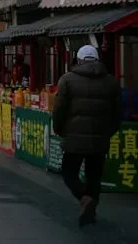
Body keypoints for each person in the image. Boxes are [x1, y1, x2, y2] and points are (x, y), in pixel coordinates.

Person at [52, 45, 122, 227]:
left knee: (69, 173)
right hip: (100, 138)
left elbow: (59, 109)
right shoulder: (111, 81)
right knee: (94, 176)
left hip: (74, 137)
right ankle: (91, 210)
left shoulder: (67, 79)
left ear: (79, 59)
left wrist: (59, 129)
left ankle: (84, 199)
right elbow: (117, 114)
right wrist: (108, 132)